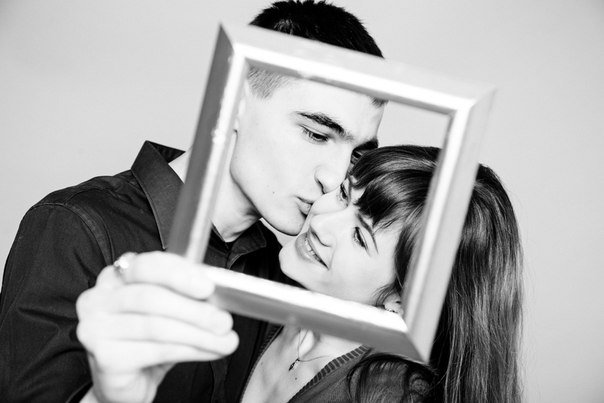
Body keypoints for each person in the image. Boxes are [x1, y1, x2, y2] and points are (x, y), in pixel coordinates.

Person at [0, 2, 385, 402]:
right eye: (316, 134)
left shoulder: (280, 272)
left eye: (356, 154)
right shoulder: (74, 228)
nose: (336, 178)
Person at [79, 145, 523, 402]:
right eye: (345, 194)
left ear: (402, 300)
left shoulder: (388, 394)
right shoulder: (266, 293)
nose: (323, 222)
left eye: (360, 237)